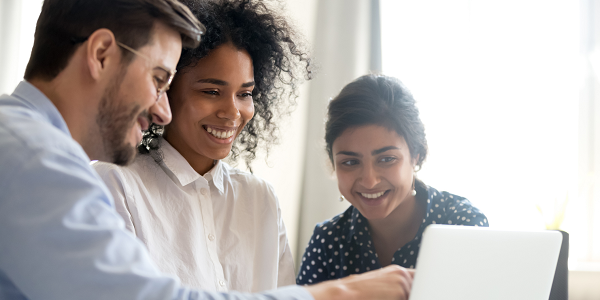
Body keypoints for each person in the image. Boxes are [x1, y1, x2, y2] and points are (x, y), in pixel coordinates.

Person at [0, 0, 413, 299]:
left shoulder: (27, 144)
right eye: (160, 79)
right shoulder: (34, 157)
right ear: (102, 54)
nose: (160, 109)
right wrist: (340, 293)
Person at [93, 0, 307, 292]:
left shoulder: (260, 199)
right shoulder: (115, 183)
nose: (232, 112)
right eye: (211, 91)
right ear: (164, 90)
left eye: (244, 93)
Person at [297, 74, 488, 285]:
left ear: (416, 155)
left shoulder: (463, 225)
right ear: (333, 164)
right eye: (350, 162)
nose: (369, 181)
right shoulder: (327, 241)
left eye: (387, 159)